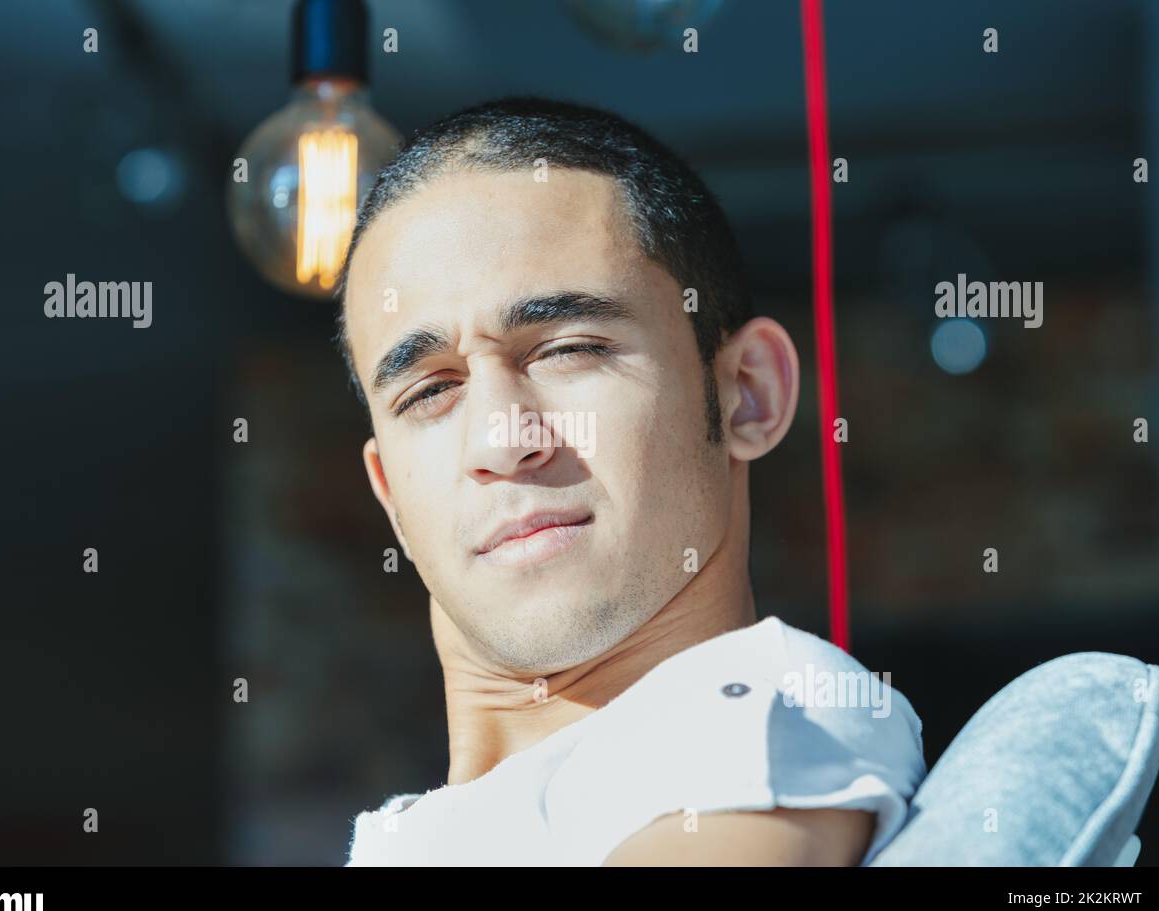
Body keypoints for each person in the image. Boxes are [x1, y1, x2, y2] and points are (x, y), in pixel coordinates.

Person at [335, 97, 925, 866]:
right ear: (391, 501)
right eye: (428, 391)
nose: (501, 441)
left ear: (749, 392)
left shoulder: (765, 713)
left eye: (566, 349)